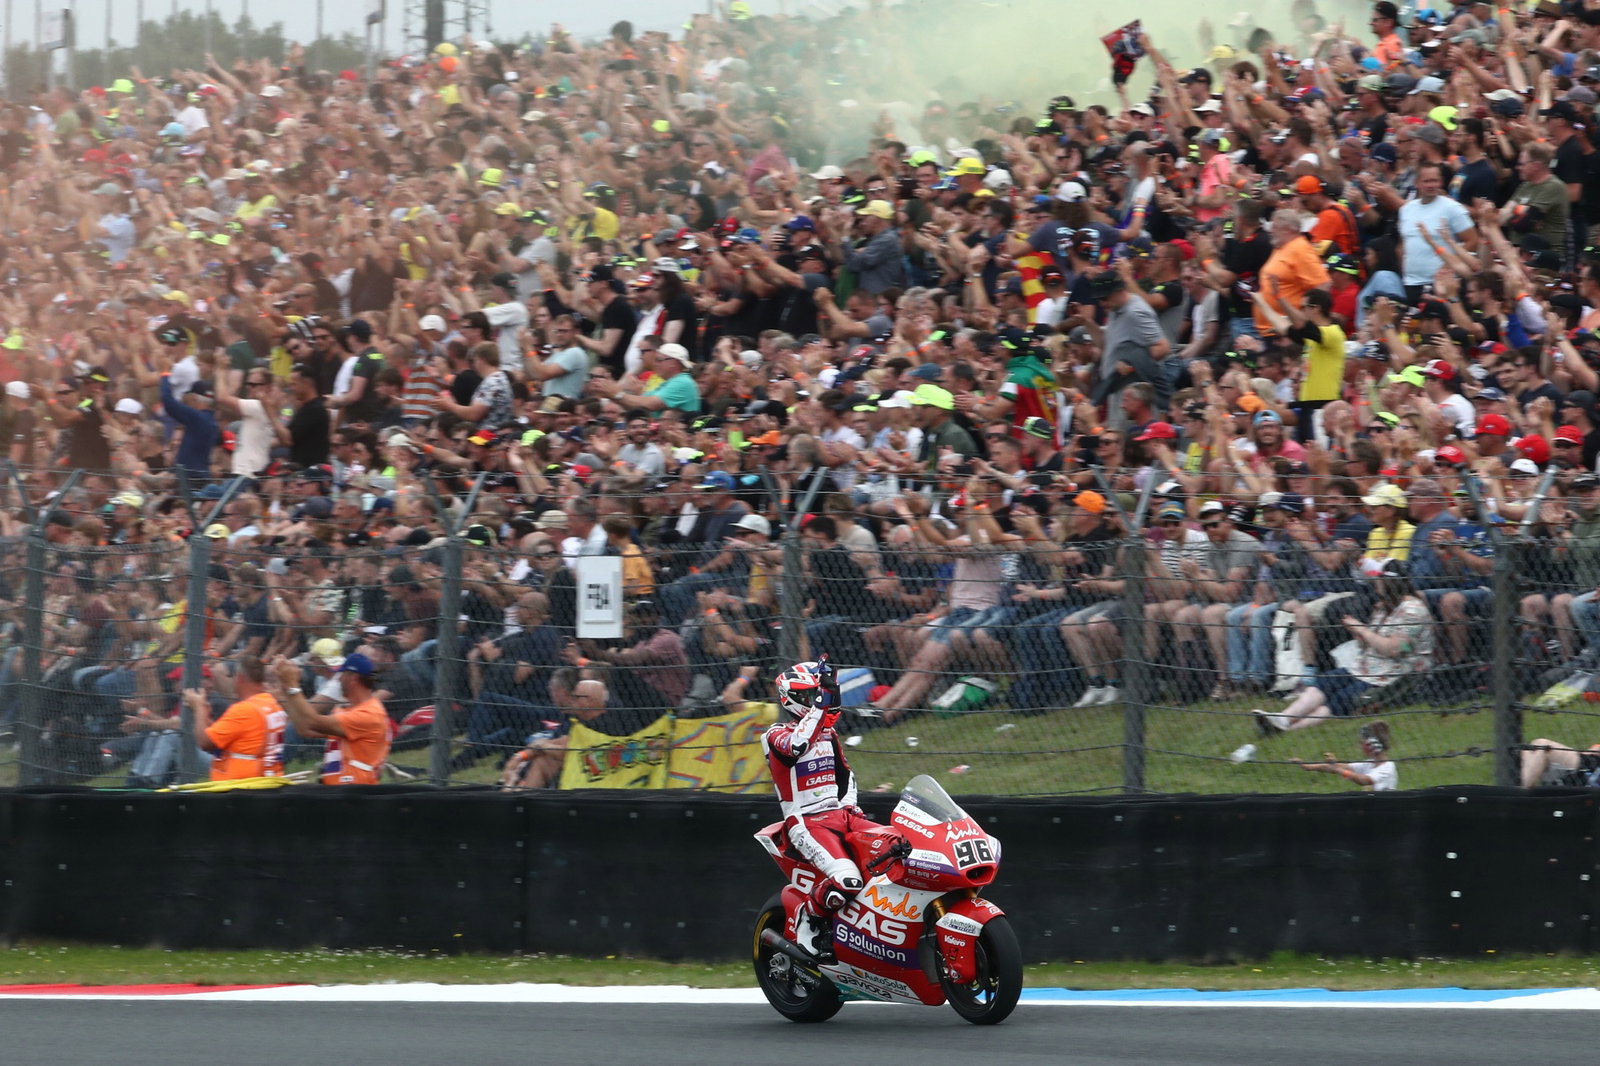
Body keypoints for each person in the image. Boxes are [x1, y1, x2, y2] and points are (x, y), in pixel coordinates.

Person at [760, 658, 870, 963]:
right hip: (805, 822)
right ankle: (808, 919)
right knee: (848, 880)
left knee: (894, 852)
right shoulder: (773, 735)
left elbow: (845, 776)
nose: (817, 702)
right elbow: (797, 745)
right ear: (791, 699)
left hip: (841, 815)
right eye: (810, 696)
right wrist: (821, 703)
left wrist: (850, 808)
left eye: (818, 695)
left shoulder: (828, 734)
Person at [1254, 559, 1433, 733]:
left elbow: (1395, 649)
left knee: (1342, 699)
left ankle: (1289, 730)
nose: (1375, 583)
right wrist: (1358, 635)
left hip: (1394, 676)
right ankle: (1282, 718)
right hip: (1366, 669)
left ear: (1389, 582)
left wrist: (1362, 630)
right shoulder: (1385, 607)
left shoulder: (1412, 611)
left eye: (1378, 578)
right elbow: (1369, 645)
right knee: (1326, 682)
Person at [271, 652, 391, 785]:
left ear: (353, 678)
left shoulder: (369, 714)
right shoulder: (349, 710)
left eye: (341, 675)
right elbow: (304, 729)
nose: (338, 680)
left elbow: (312, 721)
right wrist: (286, 688)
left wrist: (293, 685)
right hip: (338, 789)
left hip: (355, 792)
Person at [184, 654, 287, 781]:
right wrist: (204, 714)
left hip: (241, 787)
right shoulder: (272, 704)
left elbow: (205, 742)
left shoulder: (244, 710)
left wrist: (198, 707)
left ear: (239, 677)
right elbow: (223, 737)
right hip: (266, 780)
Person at [1292, 720, 1398, 791]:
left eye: (1363, 743)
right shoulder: (1370, 764)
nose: (1360, 746)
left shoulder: (1387, 767)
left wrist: (1340, 771)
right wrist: (1307, 766)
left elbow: (1364, 780)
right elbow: (1336, 767)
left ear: (1373, 744)